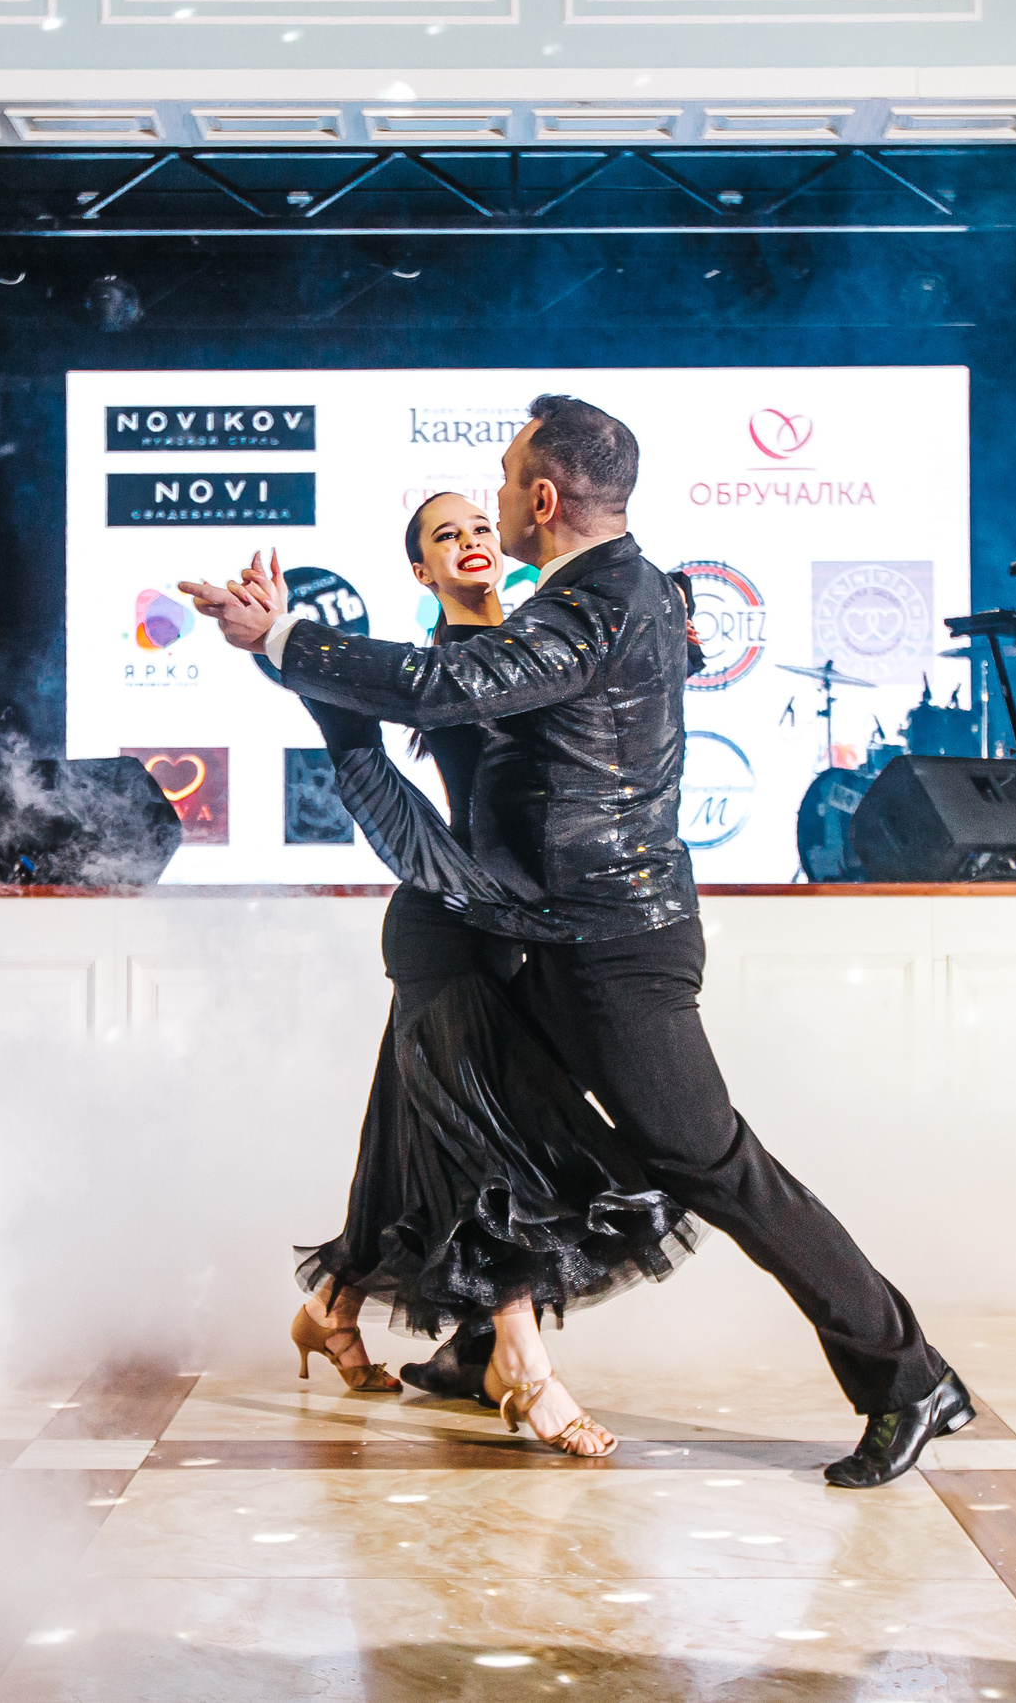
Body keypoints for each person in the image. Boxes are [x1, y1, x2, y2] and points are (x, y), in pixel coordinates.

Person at [182, 395, 976, 1490]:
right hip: (552, 931)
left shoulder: (591, 610)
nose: (495, 501)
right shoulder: (605, 597)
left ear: (542, 500)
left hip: (612, 944)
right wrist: (285, 649)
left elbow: (447, 684)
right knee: (516, 1136)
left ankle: (907, 1377)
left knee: (713, 1166)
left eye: (505, 482)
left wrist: (280, 636)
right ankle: (475, 1348)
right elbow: (446, 680)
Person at [279, 491, 701, 1457]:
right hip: (448, 924)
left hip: (524, 930)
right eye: (444, 536)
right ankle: (524, 1366)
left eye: (478, 525)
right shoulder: (431, 668)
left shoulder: (546, 638)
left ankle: (330, 1311)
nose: (471, 539)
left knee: (408, 1147)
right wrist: (298, 656)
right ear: (421, 572)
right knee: (494, 1147)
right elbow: (368, 768)